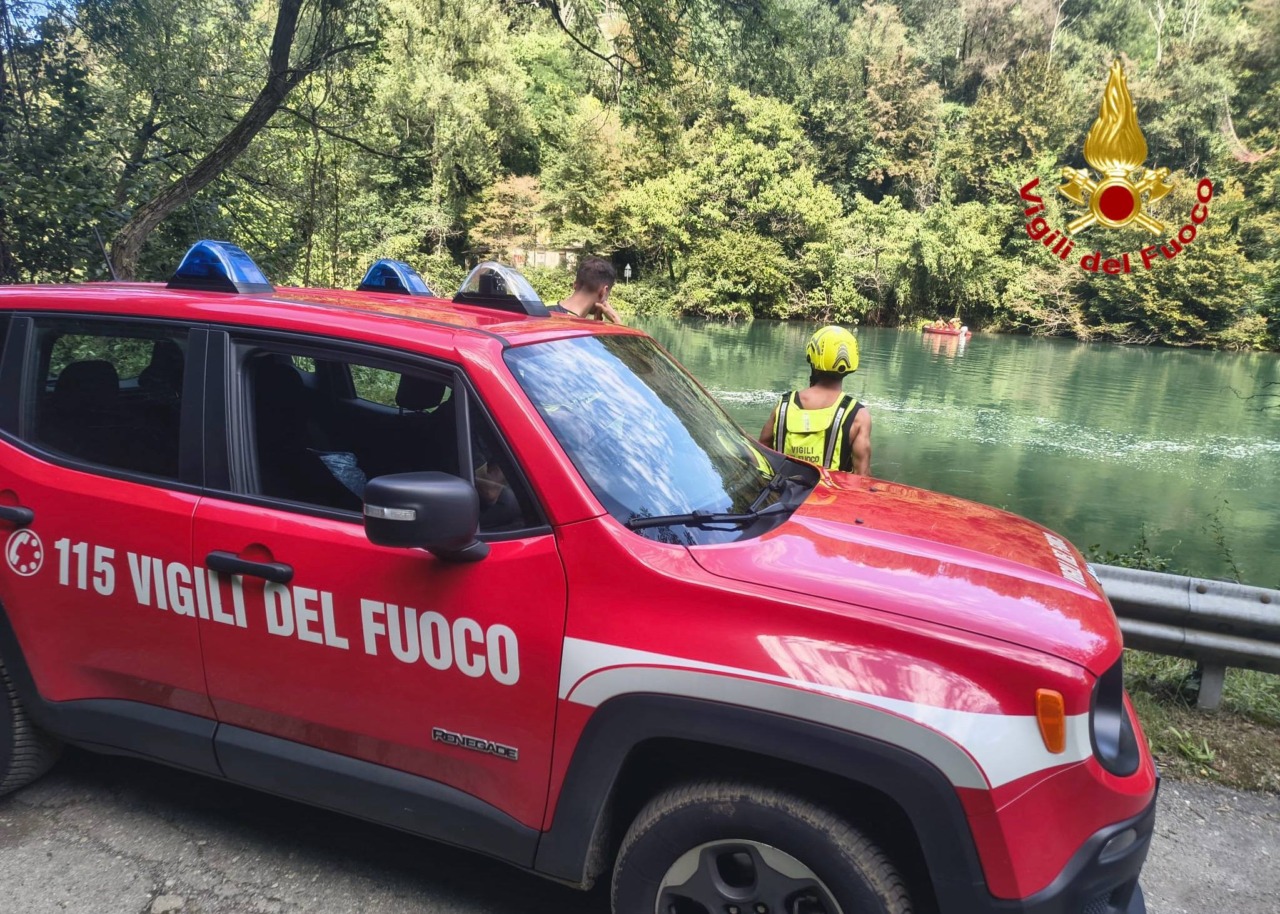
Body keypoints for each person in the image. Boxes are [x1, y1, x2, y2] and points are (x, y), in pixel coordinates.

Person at [759, 325, 871, 475]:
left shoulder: (784, 405)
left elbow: (761, 454)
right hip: (828, 491)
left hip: (781, 489)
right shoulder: (858, 416)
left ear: (812, 357)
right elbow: (862, 476)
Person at [550, 256, 622, 323]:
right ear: (603, 291)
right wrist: (617, 321)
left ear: (575, 284)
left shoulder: (546, 307)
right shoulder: (575, 327)